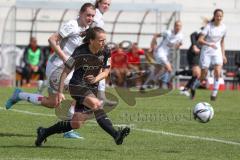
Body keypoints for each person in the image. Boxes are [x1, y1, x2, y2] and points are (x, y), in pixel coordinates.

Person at [5, 3, 96, 139]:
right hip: (57, 67)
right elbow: (52, 40)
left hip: (69, 69)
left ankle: (67, 129)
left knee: (66, 99)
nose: (90, 18)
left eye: (92, 16)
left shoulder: (88, 28)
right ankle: (20, 95)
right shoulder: (72, 25)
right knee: (62, 99)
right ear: (81, 13)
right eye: (88, 15)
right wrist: (65, 58)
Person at [35, 27, 130, 147]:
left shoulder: (106, 51)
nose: (103, 43)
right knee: (96, 104)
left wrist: (96, 79)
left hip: (92, 88)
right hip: (77, 85)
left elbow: (106, 72)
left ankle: (44, 132)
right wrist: (59, 92)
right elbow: (65, 71)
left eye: (104, 40)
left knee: (76, 123)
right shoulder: (80, 51)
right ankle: (116, 134)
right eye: (100, 40)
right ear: (91, 40)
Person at [198, 9, 227, 101]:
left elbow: (222, 42)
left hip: (217, 51)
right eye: (217, 15)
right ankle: (196, 85)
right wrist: (209, 44)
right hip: (206, 51)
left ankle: (214, 93)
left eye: (220, 16)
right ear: (214, 16)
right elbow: (200, 40)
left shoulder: (224, 27)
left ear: (222, 17)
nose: (219, 17)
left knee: (218, 71)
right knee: (203, 74)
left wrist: (223, 55)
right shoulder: (208, 27)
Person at [93, 0, 117, 106]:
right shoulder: (96, 15)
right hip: (91, 49)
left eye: (108, 4)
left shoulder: (99, 15)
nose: (106, 6)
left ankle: (101, 98)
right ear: (98, 3)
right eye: (104, 3)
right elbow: (91, 32)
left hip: (96, 48)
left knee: (101, 71)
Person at [151, 21, 183, 89]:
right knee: (169, 69)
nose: (178, 27)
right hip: (159, 52)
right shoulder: (167, 32)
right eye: (177, 26)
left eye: (180, 26)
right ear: (174, 26)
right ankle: (160, 81)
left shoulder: (181, 36)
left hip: (165, 54)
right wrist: (153, 45)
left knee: (161, 69)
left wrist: (178, 45)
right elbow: (156, 36)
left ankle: (154, 80)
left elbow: (177, 47)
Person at [180, 27, 203, 99]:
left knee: (197, 74)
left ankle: (186, 89)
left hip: (199, 54)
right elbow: (192, 35)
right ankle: (190, 90)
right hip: (193, 53)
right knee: (196, 73)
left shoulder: (213, 31)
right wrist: (194, 45)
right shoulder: (203, 29)